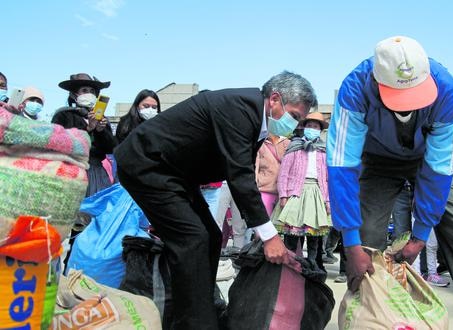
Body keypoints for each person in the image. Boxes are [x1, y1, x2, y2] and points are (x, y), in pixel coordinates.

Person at [114, 71, 317, 329]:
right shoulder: (240, 108)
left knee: (210, 235)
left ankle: (196, 309)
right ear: (275, 99)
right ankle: (197, 323)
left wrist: (261, 230)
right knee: (192, 239)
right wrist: (269, 236)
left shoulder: (256, 117)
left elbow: (237, 174)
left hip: (175, 174)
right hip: (147, 165)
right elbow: (240, 175)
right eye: (295, 116)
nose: (296, 124)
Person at [326, 36, 453, 328]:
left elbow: (438, 170)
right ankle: (365, 320)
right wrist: (351, 243)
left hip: (431, 162)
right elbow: (342, 167)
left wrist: (420, 236)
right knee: (366, 243)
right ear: (378, 83)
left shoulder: (449, 93)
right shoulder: (354, 89)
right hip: (377, 159)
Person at [52, 73, 117, 271]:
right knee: (70, 228)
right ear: (73, 94)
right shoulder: (64, 115)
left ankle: (88, 271)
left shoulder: (101, 119)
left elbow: (110, 148)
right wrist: (87, 130)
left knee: (95, 226)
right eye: (84, 90)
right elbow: (61, 143)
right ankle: (65, 271)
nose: (88, 94)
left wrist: (100, 129)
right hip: (73, 172)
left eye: (92, 91)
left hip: (97, 175)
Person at [272, 112, 332, 271]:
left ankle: (311, 266)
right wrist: (283, 195)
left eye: (316, 127)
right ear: (304, 127)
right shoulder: (294, 147)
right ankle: (291, 265)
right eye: (310, 126)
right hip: (295, 192)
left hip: (316, 192)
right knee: (291, 233)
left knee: (314, 235)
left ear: (320, 130)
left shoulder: (323, 150)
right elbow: (284, 173)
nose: (312, 129)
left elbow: (327, 178)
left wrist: (327, 200)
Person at [255, 133, 290, 216]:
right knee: (263, 221)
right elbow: (255, 167)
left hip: (284, 193)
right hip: (264, 189)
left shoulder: (288, 143)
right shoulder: (260, 144)